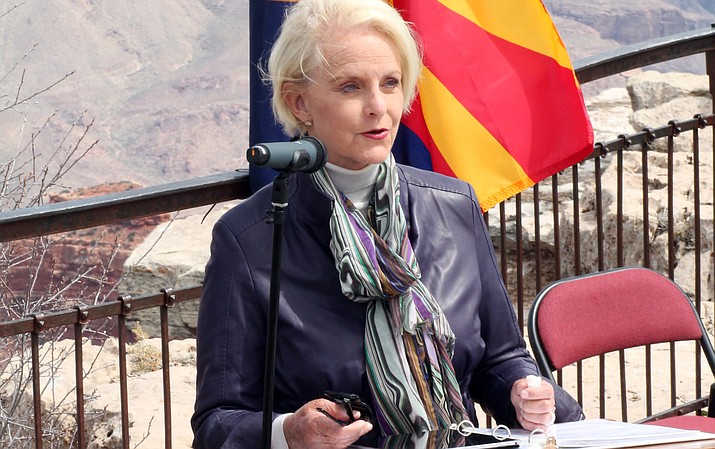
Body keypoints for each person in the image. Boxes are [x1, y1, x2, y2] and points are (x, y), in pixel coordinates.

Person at [191, 0, 584, 447]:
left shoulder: (453, 206)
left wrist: (520, 391)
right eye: (351, 87)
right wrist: (289, 434)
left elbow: (500, 357)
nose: (378, 106)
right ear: (298, 102)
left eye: (391, 83)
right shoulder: (252, 237)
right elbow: (217, 421)